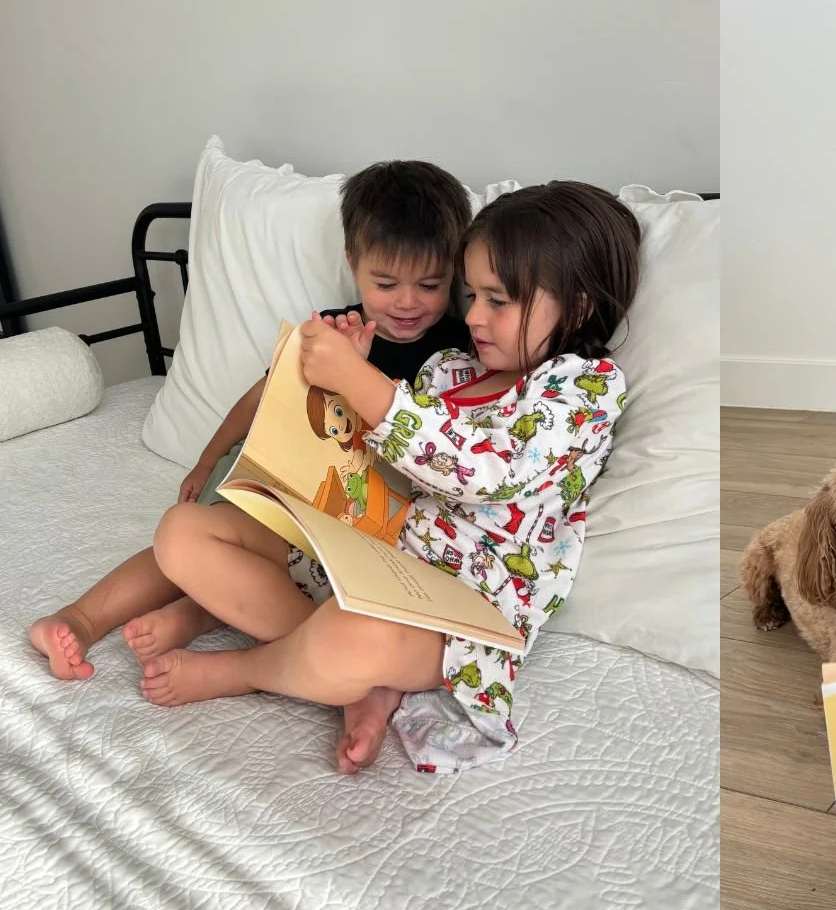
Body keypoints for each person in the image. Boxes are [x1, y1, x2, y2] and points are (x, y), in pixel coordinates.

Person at [138, 180, 641, 775]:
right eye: (471, 294)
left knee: (355, 639)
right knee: (184, 533)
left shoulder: (582, 386)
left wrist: (365, 385)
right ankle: (357, 684)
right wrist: (335, 391)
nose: (473, 317)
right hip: (371, 556)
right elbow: (377, 462)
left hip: (457, 608)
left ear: (578, 306)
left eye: (498, 301)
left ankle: (253, 670)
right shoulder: (450, 367)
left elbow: (486, 471)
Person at [28, 160, 472, 695]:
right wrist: (205, 458)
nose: (407, 302)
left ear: (455, 273)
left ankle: (201, 620)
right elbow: (264, 395)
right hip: (294, 501)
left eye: (430, 284)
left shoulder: (462, 351)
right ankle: (79, 619)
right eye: (385, 282)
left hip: (366, 530)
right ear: (353, 263)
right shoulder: (331, 331)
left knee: (276, 573)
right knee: (193, 536)